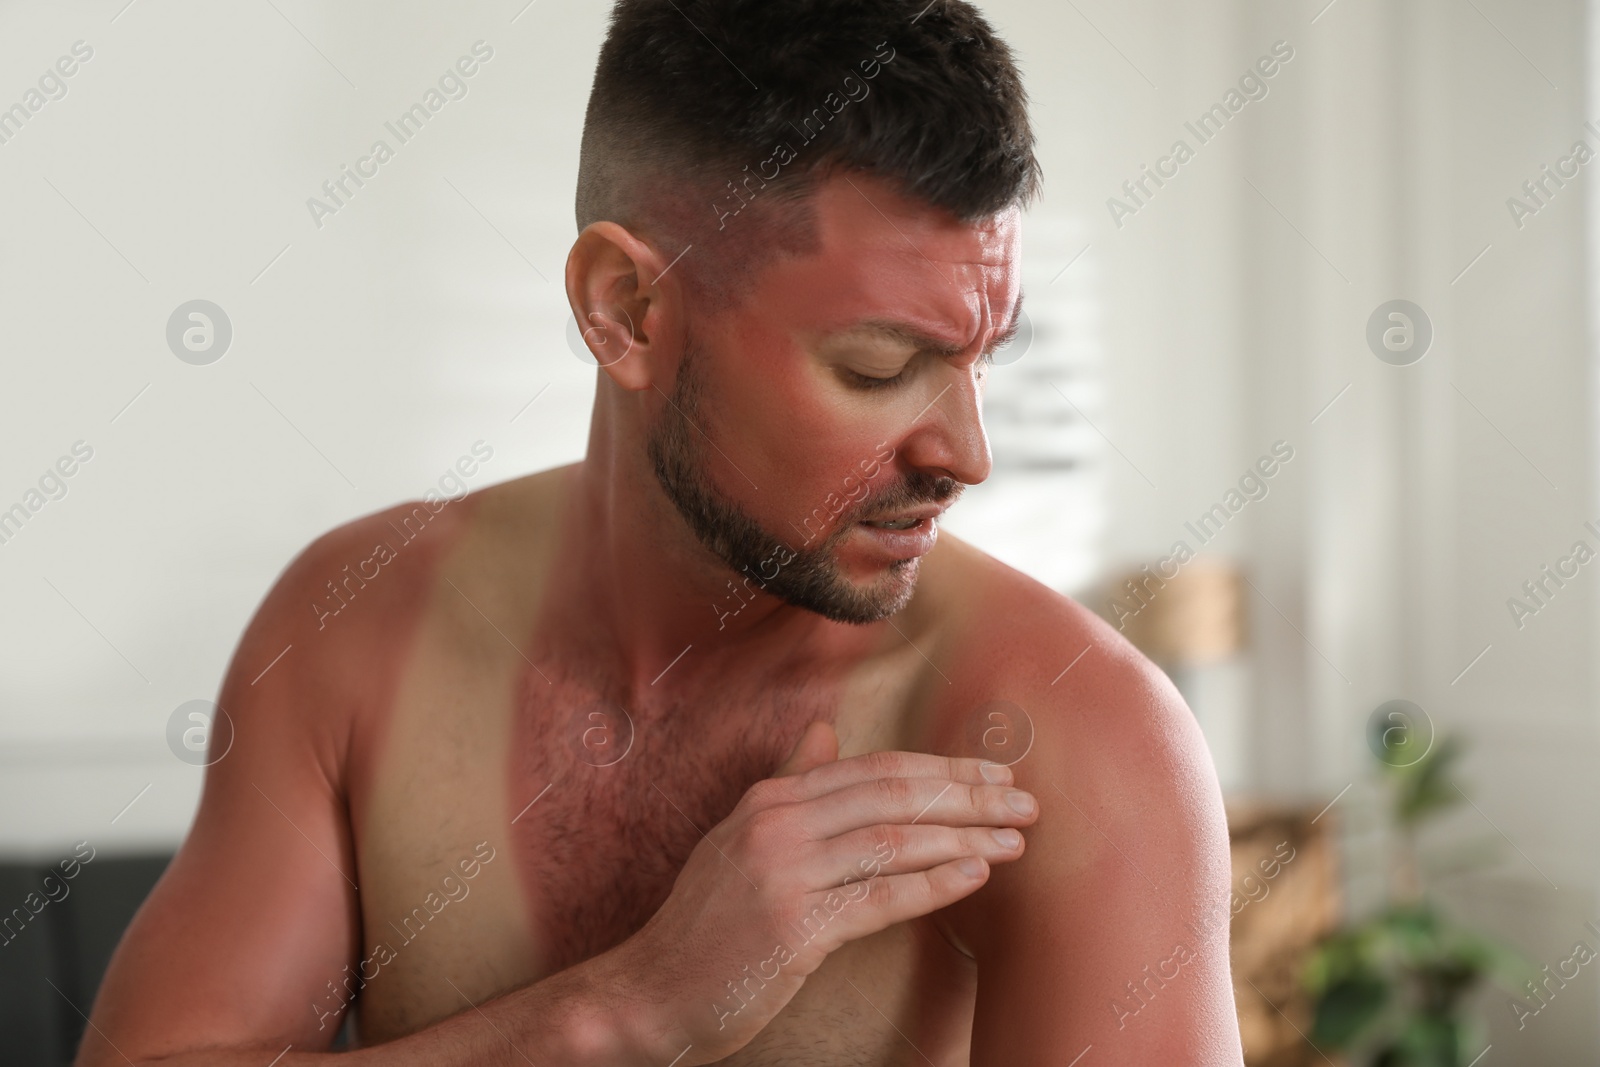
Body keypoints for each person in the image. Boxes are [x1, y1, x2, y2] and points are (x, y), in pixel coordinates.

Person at [78, 1, 1243, 1063]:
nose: (965, 455)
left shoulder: (1076, 738)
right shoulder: (353, 627)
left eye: (979, 359)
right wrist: (630, 1008)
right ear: (626, 309)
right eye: (879, 366)